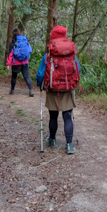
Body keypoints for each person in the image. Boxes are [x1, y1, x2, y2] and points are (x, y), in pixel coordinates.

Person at [36, 25, 80, 155]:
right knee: (67, 116)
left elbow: (40, 73)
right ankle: (69, 145)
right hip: (67, 87)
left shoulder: (49, 54)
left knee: (53, 116)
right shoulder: (71, 53)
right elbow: (78, 69)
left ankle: (53, 140)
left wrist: (40, 85)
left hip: (52, 88)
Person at [7, 28, 34, 96]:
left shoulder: (13, 42)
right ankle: (31, 90)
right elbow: (29, 50)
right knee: (26, 77)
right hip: (25, 62)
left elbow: (11, 54)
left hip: (16, 63)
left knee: (14, 76)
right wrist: (27, 59)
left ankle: (12, 90)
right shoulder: (25, 40)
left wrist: (8, 64)